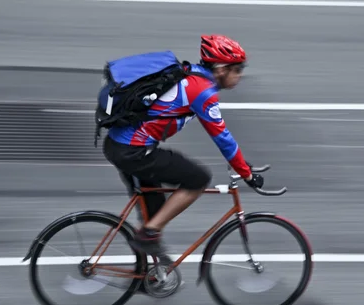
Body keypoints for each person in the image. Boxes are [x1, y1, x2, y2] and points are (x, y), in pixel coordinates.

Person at [102, 34, 264, 264]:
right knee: (198, 178)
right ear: (221, 69)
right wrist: (246, 173)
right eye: (237, 70)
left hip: (122, 146)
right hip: (133, 152)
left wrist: (240, 162)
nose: (240, 75)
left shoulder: (190, 75)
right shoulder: (202, 91)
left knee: (154, 214)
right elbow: (222, 137)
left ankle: (146, 275)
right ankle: (148, 237)